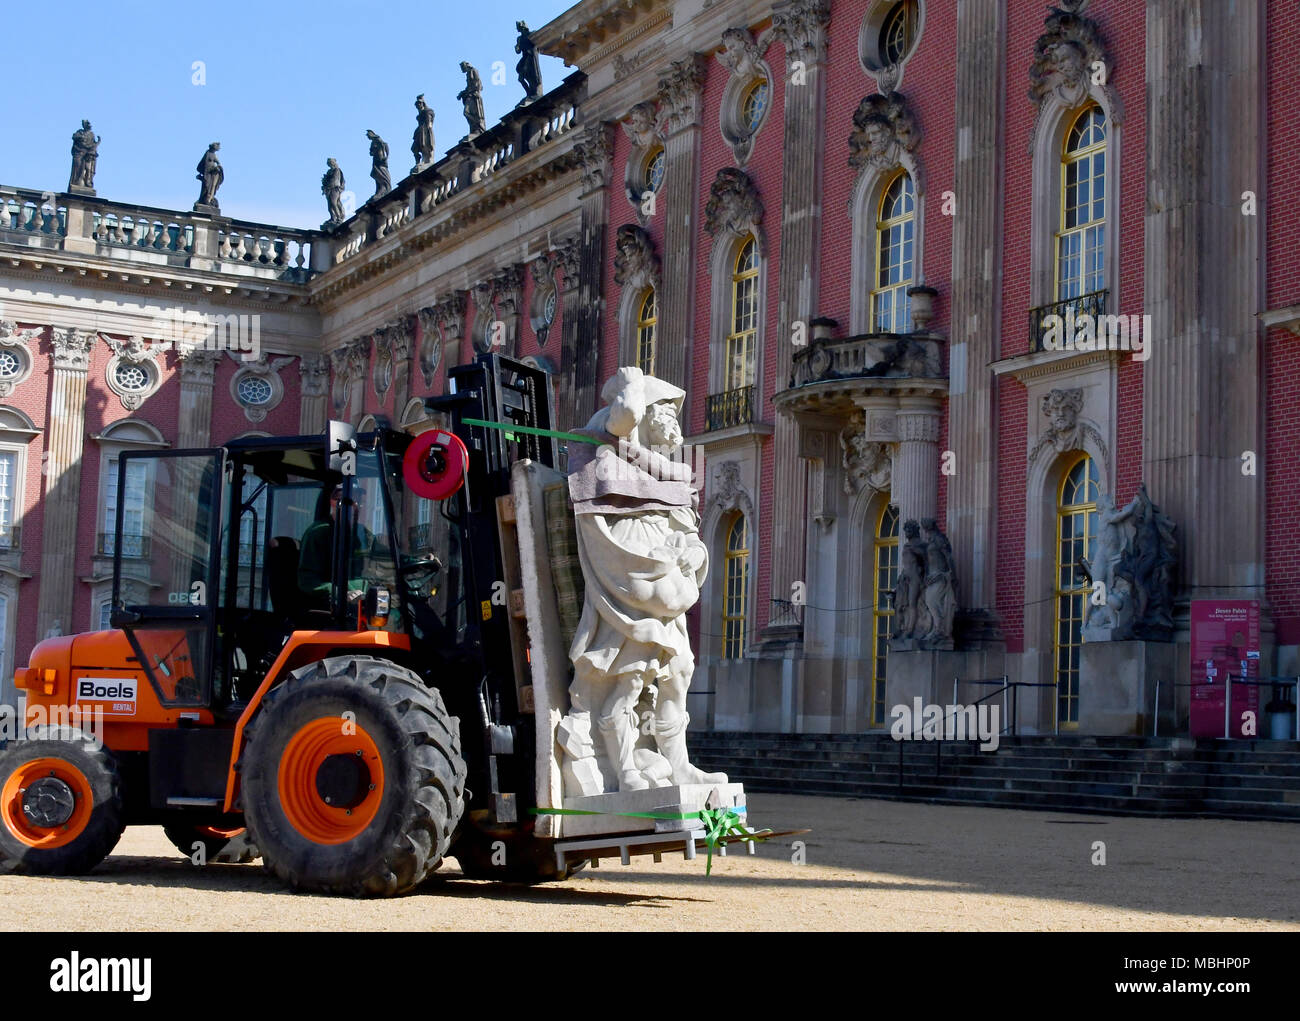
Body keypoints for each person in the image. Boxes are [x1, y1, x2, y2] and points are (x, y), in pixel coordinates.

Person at [297, 483, 376, 608]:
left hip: (366, 599)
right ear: (334, 502)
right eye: (351, 501)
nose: (356, 506)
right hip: (333, 608)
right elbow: (307, 580)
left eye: (358, 501)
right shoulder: (318, 533)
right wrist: (340, 593)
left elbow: (383, 554)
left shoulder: (363, 533)